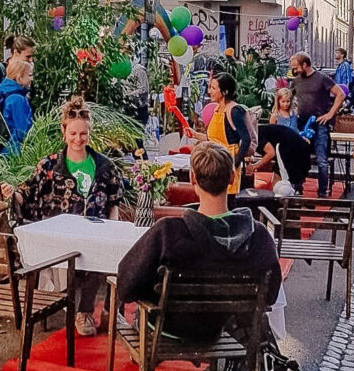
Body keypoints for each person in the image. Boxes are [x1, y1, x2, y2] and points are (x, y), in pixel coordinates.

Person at [116, 141, 282, 341]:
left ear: (193, 178)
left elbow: (126, 286)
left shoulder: (168, 232)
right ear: (231, 178)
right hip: (221, 329)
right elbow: (270, 295)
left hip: (166, 330)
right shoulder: (259, 236)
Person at [0, 97, 125, 336]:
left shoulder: (104, 166)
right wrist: (11, 193)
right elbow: (27, 194)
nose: (78, 139)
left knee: (106, 254)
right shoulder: (49, 166)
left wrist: (112, 229)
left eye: (83, 134)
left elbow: (113, 201)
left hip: (94, 233)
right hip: (60, 238)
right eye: (73, 133)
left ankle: (87, 311)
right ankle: (71, 308)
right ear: (63, 131)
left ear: (90, 133)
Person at [290, 52, 346, 198]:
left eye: (296, 67)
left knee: (321, 159)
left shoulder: (322, 78)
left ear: (305, 65)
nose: (294, 71)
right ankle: (298, 187)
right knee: (300, 156)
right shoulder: (296, 81)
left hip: (319, 123)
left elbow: (340, 95)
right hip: (302, 123)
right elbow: (288, 97)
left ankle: (322, 191)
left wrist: (330, 114)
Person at [192, 72, 251, 205]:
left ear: (224, 91)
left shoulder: (234, 111)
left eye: (213, 88)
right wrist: (195, 135)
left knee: (227, 203)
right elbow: (213, 138)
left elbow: (245, 139)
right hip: (214, 161)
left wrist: (234, 164)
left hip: (228, 162)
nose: (209, 92)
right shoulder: (217, 109)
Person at [252, 123, 311, 195]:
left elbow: (271, 153)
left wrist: (254, 166)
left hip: (290, 150)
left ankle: (281, 201)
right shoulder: (259, 131)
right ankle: (296, 193)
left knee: (278, 181)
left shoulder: (256, 136)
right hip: (296, 147)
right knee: (288, 178)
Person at [0, 60, 34, 153]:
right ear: (19, 77)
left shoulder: (3, 94)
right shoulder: (18, 99)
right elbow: (23, 132)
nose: (32, 79)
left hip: (2, 149)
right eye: (29, 75)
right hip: (14, 151)